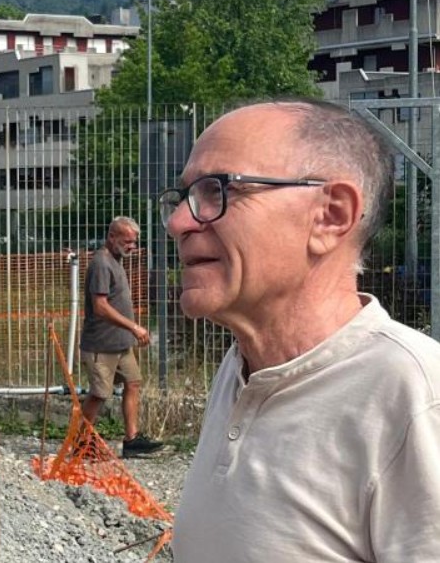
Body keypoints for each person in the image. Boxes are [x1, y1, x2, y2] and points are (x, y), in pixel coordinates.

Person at [163, 99, 440, 561]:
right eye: (183, 197)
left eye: (217, 190)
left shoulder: (414, 398)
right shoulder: (242, 371)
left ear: (331, 216)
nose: (179, 222)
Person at [79, 216, 164, 458]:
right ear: (112, 237)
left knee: (133, 382)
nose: (132, 247)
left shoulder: (116, 261)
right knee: (99, 394)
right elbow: (100, 307)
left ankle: (132, 440)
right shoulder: (101, 263)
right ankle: (81, 442)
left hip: (120, 343)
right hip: (101, 344)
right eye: (127, 242)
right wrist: (134, 327)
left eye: (134, 242)